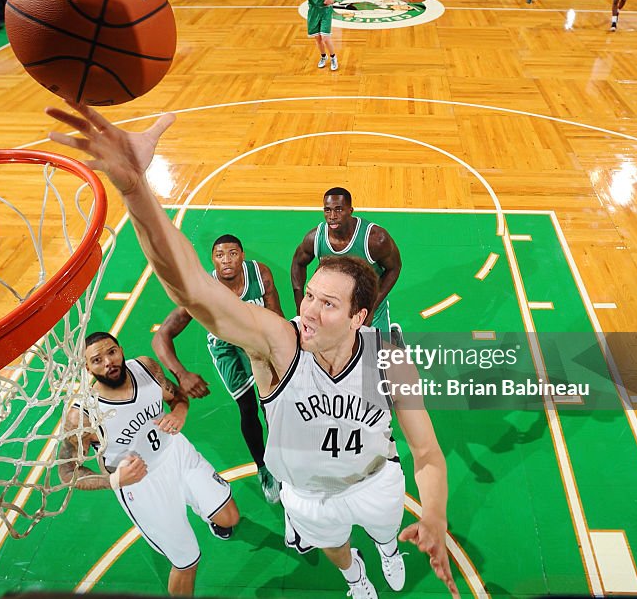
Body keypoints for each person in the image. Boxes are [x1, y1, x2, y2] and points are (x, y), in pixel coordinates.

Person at [45, 104, 458, 599]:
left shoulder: (388, 359)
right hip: (306, 495)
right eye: (308, 295)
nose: (307, 309)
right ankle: (355, 578)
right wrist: (136, 191)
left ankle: (388, 551)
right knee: (334, 546)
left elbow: (428, 456)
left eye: (328, 303)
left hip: (374, 481)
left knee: (387, 529)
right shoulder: (280, 344)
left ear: (358, 318)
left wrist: (433, 514)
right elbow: (193, 291)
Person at [58, 332, 240, 596]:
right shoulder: (82, 415)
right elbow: (67, 472)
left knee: (230, 517)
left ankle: (205, 510)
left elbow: (177, 397)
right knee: (187, 562)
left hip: (177, 453)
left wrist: (179, 413)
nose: (108, 362)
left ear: (120, 349)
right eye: (97, 360)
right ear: (87, 368)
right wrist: (114, 481)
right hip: (141, 485)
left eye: (111, 352)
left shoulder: (146, 367)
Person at [152, 234, 283, 504]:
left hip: (258, 340)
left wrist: (282, 350)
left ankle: (282, 458)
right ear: (212, 259)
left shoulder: (260, 274)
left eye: (233, 253)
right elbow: (161, 336)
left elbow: (276, 314)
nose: (227, 260)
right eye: (220, 255)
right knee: (248, 407)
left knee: (272, 404)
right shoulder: (204, 290)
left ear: (242, 255)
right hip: (227, 347)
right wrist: (182, 374)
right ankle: (264, 468)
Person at [290, 187, 402, 343]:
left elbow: (394, 268)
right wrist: (300, 305)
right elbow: (298, 263)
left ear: (350, 210)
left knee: (375, 359)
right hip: (334, 305)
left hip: (368, 302)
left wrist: (372, 308)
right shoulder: (315, 238)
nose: (332, 216)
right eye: (327, 210)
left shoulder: (375, 239)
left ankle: (393, 338)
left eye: (338, 210)